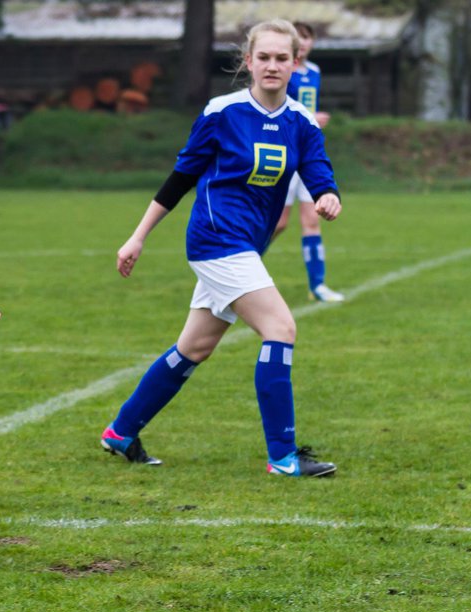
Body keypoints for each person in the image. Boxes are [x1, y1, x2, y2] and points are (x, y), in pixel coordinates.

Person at [101, 20, 341, 477]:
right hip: (215, 239)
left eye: (281, 58)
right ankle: (284, 457)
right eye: (263, 57)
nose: (272, 66)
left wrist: (329, 196)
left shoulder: (301, 122)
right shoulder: (222, 112)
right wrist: (138, 235)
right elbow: (180, 179)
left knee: (195, 346)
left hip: (247, 246)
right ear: (248, 62)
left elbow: (318, 171)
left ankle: (121, 431)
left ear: (295, 64)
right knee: (281, 327)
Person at [271, 21, 344, 302]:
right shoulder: (280, 73)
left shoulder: (314, 72)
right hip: (282, 155)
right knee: (278, 224)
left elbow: (306, 111)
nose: (302, 43)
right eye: (297, 37)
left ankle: (318, 286)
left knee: (312, 221)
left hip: (308, 156)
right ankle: (241, 270)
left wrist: (315, 120)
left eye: (306, 38)